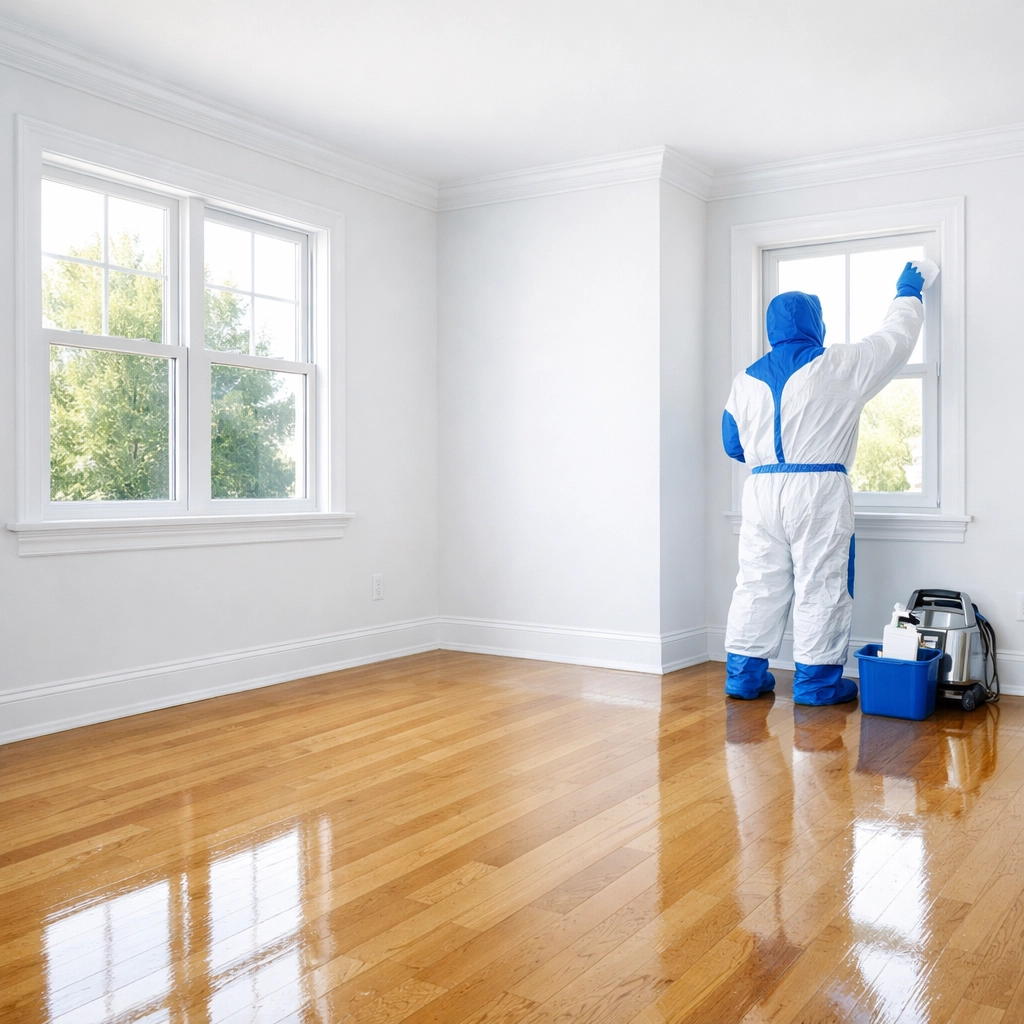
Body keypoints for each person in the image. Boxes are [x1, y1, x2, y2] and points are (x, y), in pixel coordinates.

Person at [722, 258, 939, 705]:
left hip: (761, 488)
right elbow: (894, 340)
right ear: (816, 324)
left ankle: (744, 678)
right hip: (817, 488)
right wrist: (908, 291)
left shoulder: (744, 379)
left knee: (757, 582)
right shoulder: (838, 363)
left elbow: (731, 444)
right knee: (822, 582)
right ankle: (816, 685)